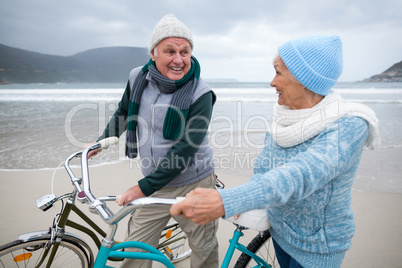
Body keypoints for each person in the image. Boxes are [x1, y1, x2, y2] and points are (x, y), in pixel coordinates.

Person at [171, 35, 380, 268]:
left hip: (317, 247)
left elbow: (301, 174)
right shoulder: (284, 115)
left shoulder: (349, 125)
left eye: (278, 72)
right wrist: (247, 200)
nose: (272, 82)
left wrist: (230, 200)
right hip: (279, 231)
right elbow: (265, 167)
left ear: (304, 78)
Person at [95, 14, 219, 267]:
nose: (178, 59)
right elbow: (123, 111)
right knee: (134, 254)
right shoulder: (137, 78)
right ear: (153, 53)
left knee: (203, 251)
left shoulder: (201, 94)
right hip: (156, 184)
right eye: (170, 51)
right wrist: (100, 143)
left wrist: (141, 188)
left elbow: (185, 150)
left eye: (185, 52)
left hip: (194, 184)